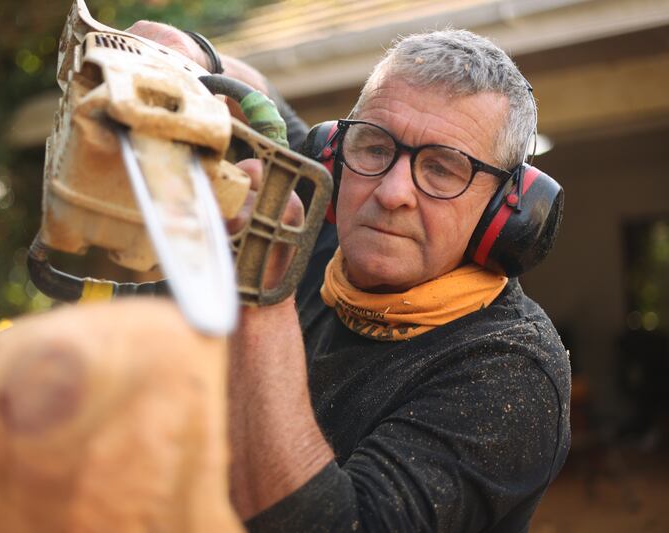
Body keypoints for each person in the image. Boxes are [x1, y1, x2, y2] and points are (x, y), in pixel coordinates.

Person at [129, 22, 571, 533]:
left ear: (506, 213)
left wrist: (263, 292)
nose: (390, 192)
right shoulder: (330, 229)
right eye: (375, 148)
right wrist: (196, 60)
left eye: (442, 169)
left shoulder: (509, 371)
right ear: (333, 153)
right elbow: (261, 102)